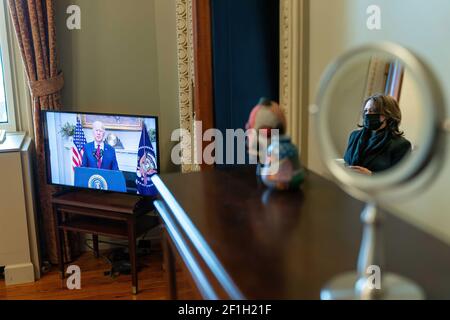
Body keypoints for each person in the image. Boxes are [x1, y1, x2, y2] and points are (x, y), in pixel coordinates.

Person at [344, 94, 412, 175]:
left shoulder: (401, 145)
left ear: (388, 115)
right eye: (366, 111)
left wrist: (372, 175)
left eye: (373, 110)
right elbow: (346, 162)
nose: (368, 114)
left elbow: (400, 178)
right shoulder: (354, 136)